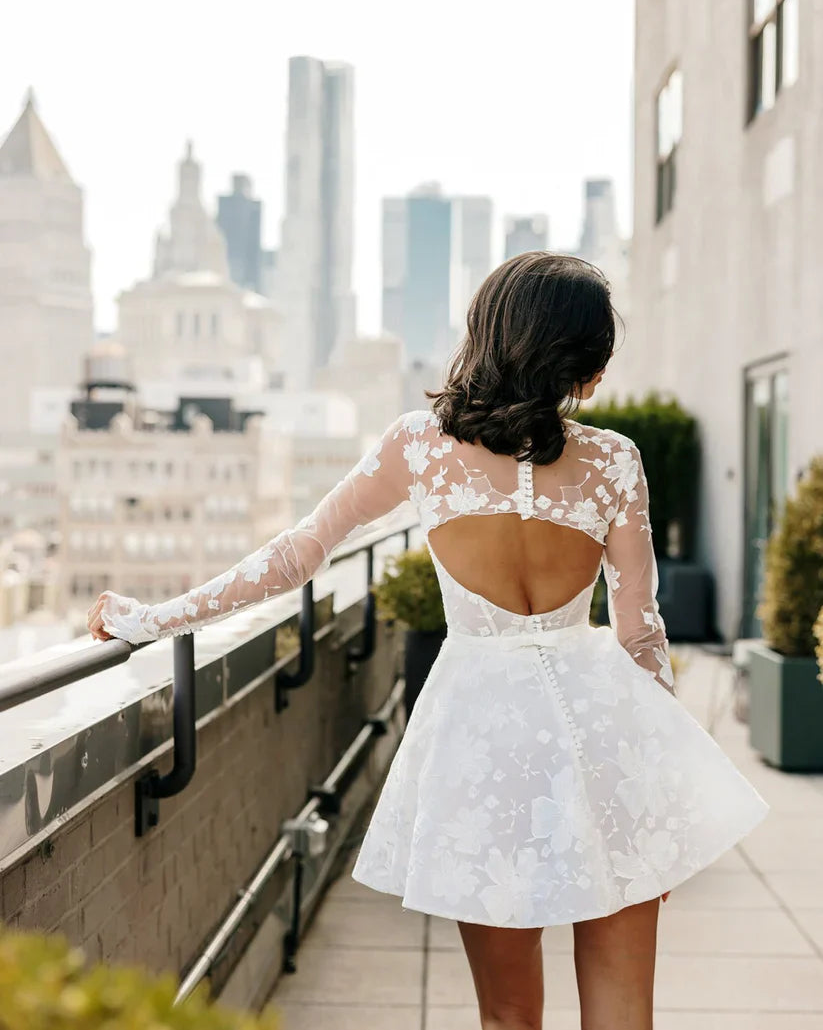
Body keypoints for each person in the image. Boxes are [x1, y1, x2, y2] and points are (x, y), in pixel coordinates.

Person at [88, 252, 770, 1030]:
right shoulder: (614, 459)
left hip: (483, 747)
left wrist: (152, 619)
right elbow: (640, 634)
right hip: (604, 741)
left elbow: (293, 558)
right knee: (622, 1017)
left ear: (491, 332)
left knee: (507, 1015)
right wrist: (658, 795)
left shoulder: (420, 444)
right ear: (578, 359)